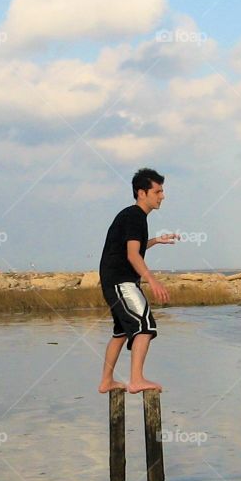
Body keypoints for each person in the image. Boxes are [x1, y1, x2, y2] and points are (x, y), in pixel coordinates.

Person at [98, 168, 177, 394]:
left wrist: (156, 240)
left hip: (113, 281)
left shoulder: (132, 216)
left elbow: (131, 246)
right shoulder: (135, 216)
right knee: (144, 326)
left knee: (121, 332)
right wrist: (152, 280)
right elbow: (133, 255)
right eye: (158, 191)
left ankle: (106, 381)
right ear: (142, 193)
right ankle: (136, 380)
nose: (162, 196)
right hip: (122, 281)